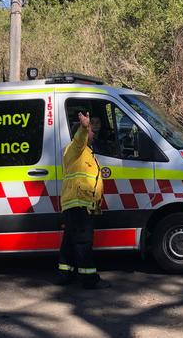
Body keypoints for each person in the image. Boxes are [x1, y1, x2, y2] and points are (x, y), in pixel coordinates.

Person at [56, 111, 111, 289]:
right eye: (91, 131)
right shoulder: (75, 148)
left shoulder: (86, 152)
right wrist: (84, 126)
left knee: (70, 242)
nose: (94, 134)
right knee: (83, 242)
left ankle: (65, 274)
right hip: (78, 203)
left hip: (81, 203)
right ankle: (89, 279)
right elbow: (80, 138)